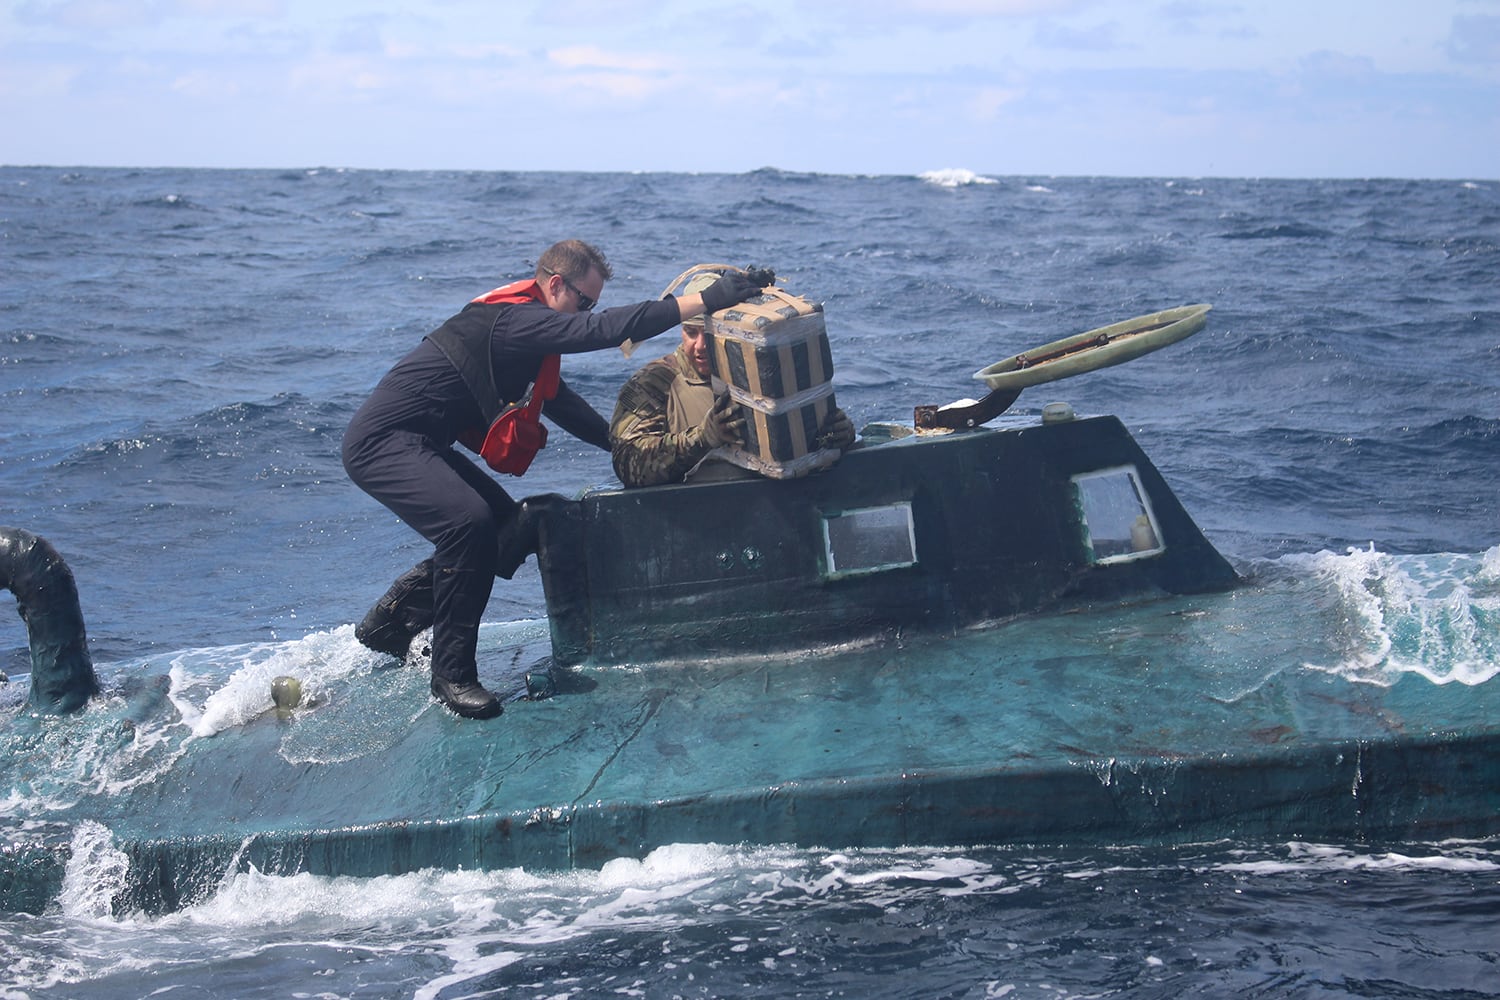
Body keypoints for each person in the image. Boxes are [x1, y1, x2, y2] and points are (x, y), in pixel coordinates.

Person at [342, 240, 766, 719]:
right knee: (468, 523)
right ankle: (452, 674)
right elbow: (604, 331)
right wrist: (708, 300)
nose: (585, 312)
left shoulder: (530, 341)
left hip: (421, 442)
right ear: (555, 284)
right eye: (582, 302)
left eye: (592, 305)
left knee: (511, 523)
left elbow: (560, 403)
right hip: (383, 441)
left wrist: (623, 445)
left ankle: (394, 624)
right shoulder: (516, 321)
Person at [610, 273, 856, 489]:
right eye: (691, 333)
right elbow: (628, 466)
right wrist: (703, 438)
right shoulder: (654, 383)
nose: (700, 346)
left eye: (709, 334)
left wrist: (836, 438)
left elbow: (800, 452)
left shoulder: (766, 377)